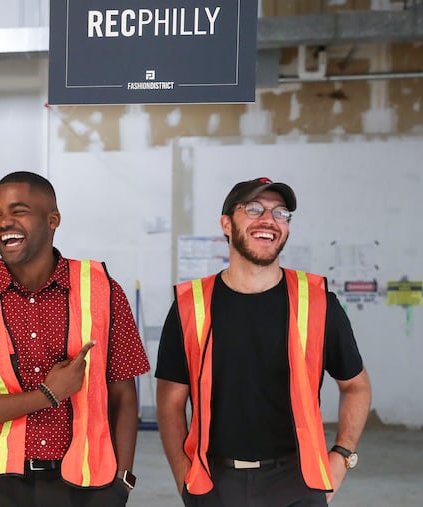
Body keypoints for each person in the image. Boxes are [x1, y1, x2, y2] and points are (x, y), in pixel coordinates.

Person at [0, 171, 150, 507]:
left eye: (19, 211)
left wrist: (123, 482)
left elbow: (124, 395)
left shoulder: (102, 289)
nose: (4, 223)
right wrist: (47, 394)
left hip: (89, 488)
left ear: (53, 220)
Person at [155, 177, 371, 506]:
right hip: (214, 483)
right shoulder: (190, 306)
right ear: (226, 224)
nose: (269, 220)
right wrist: (183, 475)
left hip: (299, 482)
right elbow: (170, 401)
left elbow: (356, 385)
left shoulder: (318, 303)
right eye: (254, 209)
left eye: (281, 213)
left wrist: (342, 456)